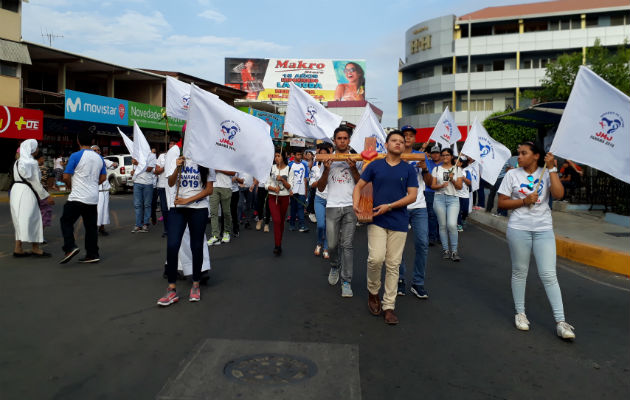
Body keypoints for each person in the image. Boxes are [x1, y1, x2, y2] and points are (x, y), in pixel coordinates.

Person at [497, 141, 575, 340]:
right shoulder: (512, 175)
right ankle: (520, 313)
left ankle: (561, 322)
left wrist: (553, 169)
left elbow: (558, 194)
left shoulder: (547, 172)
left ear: (536, 156)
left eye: (524, 153)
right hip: (518, 228)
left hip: (543, 230)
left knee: (549, 274)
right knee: (520, 271)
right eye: (518, 153)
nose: (519, 157)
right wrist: (523, 201)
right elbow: (502, 203)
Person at [353, 130, 418, 325]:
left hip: (398, 221)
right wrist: (356, 204)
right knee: (376, 259)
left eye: (401, 141)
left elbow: (412, 196)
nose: (399, 143)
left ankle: (389, 305)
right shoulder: (375, 166)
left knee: (393, 264)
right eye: (394, 140)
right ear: (387, 145)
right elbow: (359, 186)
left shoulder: (408, 169)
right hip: (376, 220)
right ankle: (373, 292)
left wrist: (389, 206)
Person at [157, 154, 215, 306]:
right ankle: (171, 289)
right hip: (178, 209)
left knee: (196, 246)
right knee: (172, 245)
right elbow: (170, 183)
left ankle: (195, 284)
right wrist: (177, 167)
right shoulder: (180, 159)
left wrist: (188, 200)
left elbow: (209, 190)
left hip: (198, 208)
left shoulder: (206, 161)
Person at [317, 126, 361, 297]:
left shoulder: (356, 159)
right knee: (333, 244)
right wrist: (327, 169)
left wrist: (354, 168)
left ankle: (346, 281)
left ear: (349, 140)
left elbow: (361, 184)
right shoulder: (327, 159)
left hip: (351, 206)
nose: (342, 141)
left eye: (345, 138)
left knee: (347, 245)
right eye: (339, 138)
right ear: (334, 141)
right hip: (332, 206)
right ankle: (335, 265)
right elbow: (320, 187)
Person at [59, 131, 107, 264]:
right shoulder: (99, 158)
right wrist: (92, 184)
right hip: (92, 197)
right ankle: (92, 254)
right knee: (91, 227)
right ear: (92, 142)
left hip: (77, 197)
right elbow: (103, 177)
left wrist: (69, 185)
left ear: (78, 141)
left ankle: (70, 247)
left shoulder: (75, 156)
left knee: (66, 221)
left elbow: (66, 176)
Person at [397, 125, 433, 299]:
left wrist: (425, 167)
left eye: (411, 135)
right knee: (398, 246)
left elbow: (431, 183)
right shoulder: (394, 157)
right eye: (405, 135)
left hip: (419, 206)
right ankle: (399, 279)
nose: (408, 138)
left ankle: (418, 283)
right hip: (400, 206)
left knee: (422, 243)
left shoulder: (421, 156)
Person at [10, 140, 53, 257]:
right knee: (35, 218)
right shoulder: (32, 163)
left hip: (16, 191)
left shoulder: (17, 162)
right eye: (36, 147)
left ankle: (18, 248)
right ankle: (36, 248)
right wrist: (46, 196)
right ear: (32, 149)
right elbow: (35, 182)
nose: (38, 150)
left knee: (19, 220)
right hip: (27, 192)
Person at [431, 148, 464, 261]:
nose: (445, 157)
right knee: (443, 225)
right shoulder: (436, 169)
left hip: (453, 199)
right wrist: (441, 186)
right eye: (443, 155)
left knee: (451, 224)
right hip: (439, 198)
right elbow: (432, 186)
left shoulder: (457, 169)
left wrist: (452, 180)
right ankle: (446, 250)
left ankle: (454, 251)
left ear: (451, 157)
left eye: (447, 155)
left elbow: (460, 187)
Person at [266, 150, 293, 255]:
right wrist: (273, 188)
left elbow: (290, 186)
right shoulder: (271, 169)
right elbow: (265, 184)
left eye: (278, 156)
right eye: (275, 156)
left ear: (283, 157)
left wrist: (282, 179)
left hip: (285, 197)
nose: (276, 158)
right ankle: (277, 246)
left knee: (281, 221)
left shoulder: (289, 169)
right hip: (273, 197)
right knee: (276, 220)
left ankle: (279, 243)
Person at [309, 143, 332, 259]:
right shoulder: (314, 168)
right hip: (319, 199)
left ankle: (326, 247)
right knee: (321, 225)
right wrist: (322, 179)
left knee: (328, 226)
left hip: (331, 200)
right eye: (320, 154)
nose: (323, 156)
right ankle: (319, 243)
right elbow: (312, 184)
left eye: (325, 154)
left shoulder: (334, 166)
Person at [91, 145, 117, 236]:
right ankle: (93, 228)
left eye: (98, 150)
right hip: (94, 189)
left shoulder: (103, 160)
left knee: (104, 209)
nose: (97, 151)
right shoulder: (89, 162)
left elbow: (114, 165)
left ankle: (102, 228)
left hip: (104, 189)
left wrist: (115, 164)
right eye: (94, 150)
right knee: (95, 210)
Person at [131, 148, 157, 233]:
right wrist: (133, 172)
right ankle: (138, 225)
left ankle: (145, 224)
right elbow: (136, 170)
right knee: (137, 205)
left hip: (148, 183)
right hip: (137, 183)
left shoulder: (152, 156)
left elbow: (149, 169)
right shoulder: (136, 156)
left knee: (147, 205)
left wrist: (138, 163)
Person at [207, 170, 235, 245]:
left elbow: (233, 172)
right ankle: (215, 236)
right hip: (213, 186)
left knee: (226, 212)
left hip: (226, 187)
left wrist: (218, 169)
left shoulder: (228, 158)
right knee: (213, 212)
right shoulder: (211, 158)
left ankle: (226, 232)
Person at [424, 145, 442, 245]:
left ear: (440, 154)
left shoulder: (445, 164)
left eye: (437, 153)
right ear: (430, 154)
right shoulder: (428, 162)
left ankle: (440, 236)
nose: (435, 155)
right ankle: (432, 237)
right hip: (429, 192)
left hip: (442, 192)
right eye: (433, 153)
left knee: (441, 215)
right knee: (431, 215)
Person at [289, 149, 309, 232]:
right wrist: (289, 190)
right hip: (293, 190)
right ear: (294, 155)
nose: (299, 156)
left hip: (301, 190)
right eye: (298, 154)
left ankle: (302, 225)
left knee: (300, 207)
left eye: (300, 154)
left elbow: (305, 178)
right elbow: (288, 179)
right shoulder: (290, 165)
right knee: (293, 208)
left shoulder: (304, 164)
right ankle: (292, 225)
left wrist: (305, 190)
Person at [36, 152, 53, 237]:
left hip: (33, 194)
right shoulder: (44, 169)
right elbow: (45, 181)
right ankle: (40, 235)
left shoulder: (30, 167)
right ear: (39, 159)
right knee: (45, 214)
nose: (44, 160)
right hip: (42, 194)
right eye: (43, 158)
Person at [456, 157, 472, 232]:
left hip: (465, 195)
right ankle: (459, 224)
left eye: (457, 162)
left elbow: (469, 183)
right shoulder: (453, 171)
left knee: (465, 210)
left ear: (461, 163)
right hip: (457, 194)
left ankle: (463, 219)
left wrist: (463, 178)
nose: (456, 164)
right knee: (458, 211)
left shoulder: (466, 172)